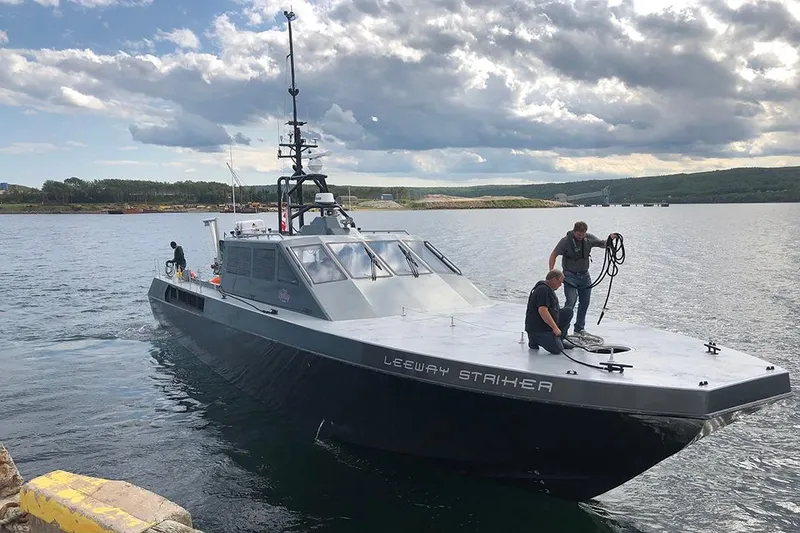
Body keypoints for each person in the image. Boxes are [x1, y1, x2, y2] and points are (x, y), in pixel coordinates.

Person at [548, 221, 617, 336]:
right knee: (571, 302)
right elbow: (553, 255)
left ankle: (579, 329)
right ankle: (562, 329)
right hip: (569, 277)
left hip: (585, 276)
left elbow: (603, 244)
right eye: (578, 235)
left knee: (585, 302)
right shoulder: (565, 241)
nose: (581, 237)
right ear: (574, 232)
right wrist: (552, 272)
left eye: (583, 234)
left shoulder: (588, 238)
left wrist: (610, 239)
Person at [525, 269, 574, 354]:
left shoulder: (547, 288)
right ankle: (535, 339)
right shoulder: (543, 290)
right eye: (560, 282)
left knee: (568, 312)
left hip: (545, 325)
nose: (560, 285)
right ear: (554, 279)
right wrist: (555, 328)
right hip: (539, 329)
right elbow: (542, 310)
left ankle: (559, 338)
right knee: (558, 349)